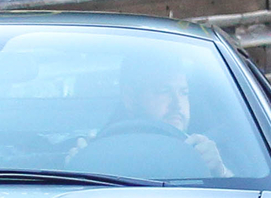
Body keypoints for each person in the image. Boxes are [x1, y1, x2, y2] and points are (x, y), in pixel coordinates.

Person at [70, 58, 230, 176]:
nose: (177, 104)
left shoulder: (209, 150)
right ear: (130, 99)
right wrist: (76, 171)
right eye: (164, 91)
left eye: (184, 93)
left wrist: (220, 172)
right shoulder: (98, 155)